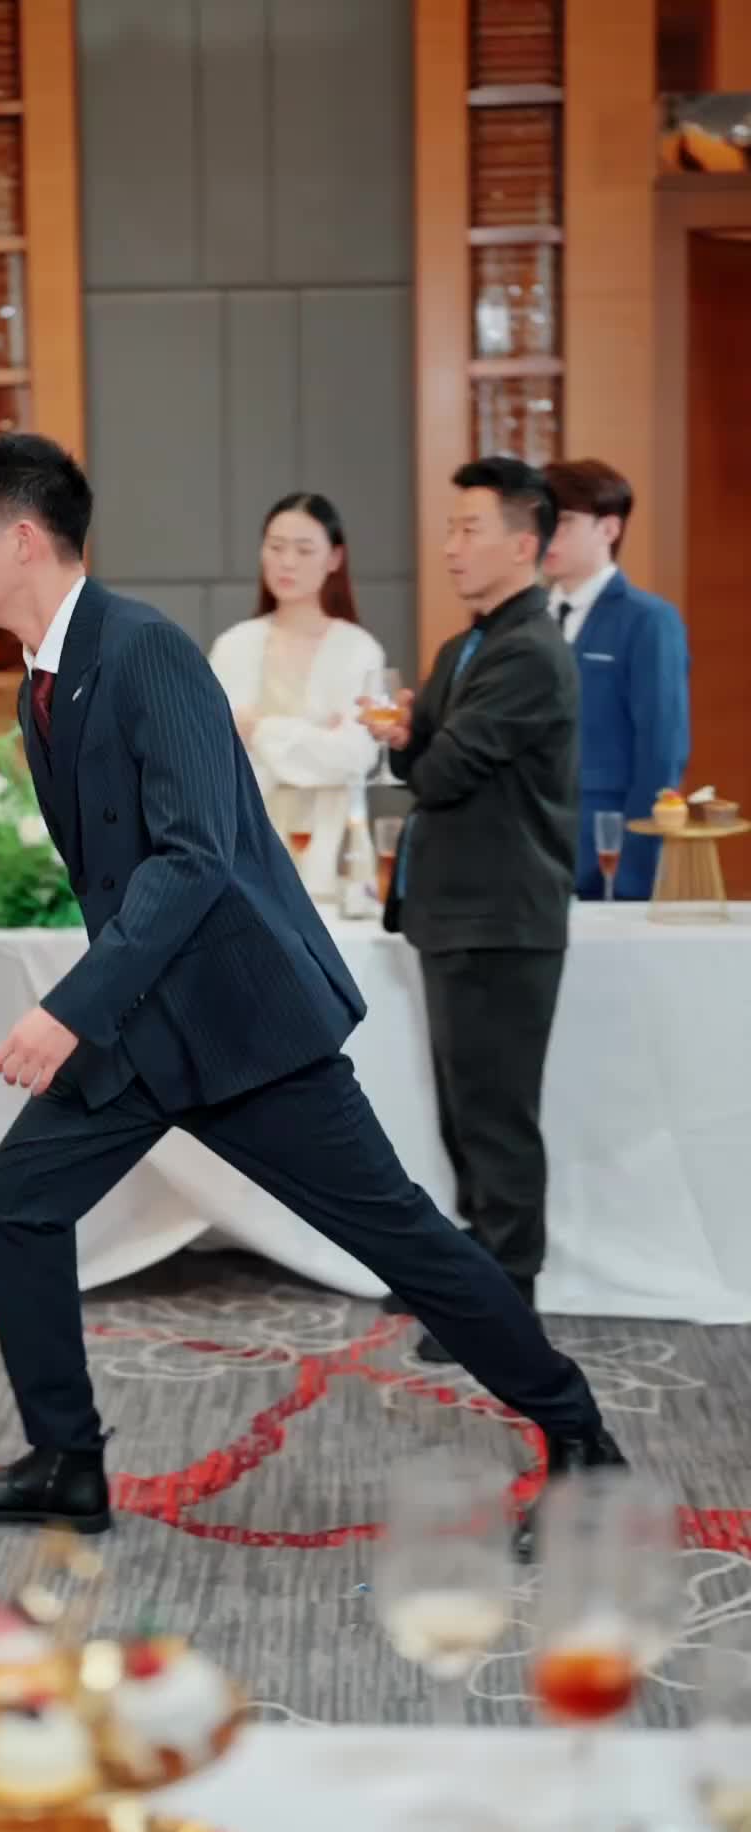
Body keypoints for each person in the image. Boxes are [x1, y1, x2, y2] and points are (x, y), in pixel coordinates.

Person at [0, 432, 624, 1561]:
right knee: (12, 1204)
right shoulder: (44, 683)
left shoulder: (145, 650)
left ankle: (581, 1437)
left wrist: (69, 1008)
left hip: (239, 1023)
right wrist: (101, 1011)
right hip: (144, 1029)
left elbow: (195, 856)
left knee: (403, 1239)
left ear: (24, 538)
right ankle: (66, 1460)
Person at [365, 457, 576, 1368]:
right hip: (456, 914)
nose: (450, 546)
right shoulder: (466, 647)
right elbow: (421, 760)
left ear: (523, 544)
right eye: (450, 528)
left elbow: (444, 770)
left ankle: (507, 1304)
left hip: (504, 917)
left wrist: (419, 744)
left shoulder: (530, 652)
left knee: (496, 1119)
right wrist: (408, 739)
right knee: (463, 1113)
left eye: (468, 529)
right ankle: (473, 1277)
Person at [209, 494, 381, 897]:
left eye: (304, 550)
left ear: (334, 558)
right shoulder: (233, 646)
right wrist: (313, 736)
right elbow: (217, 759)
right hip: (245, 852)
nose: (287, 562)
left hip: (332, 855)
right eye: (276, 547)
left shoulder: (358, 650)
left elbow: (354, 757)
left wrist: (260, 730)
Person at [543, 458, 690, 900]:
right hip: (529, 855)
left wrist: (633, 871)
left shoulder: (649, 620)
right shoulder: (527, 620)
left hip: (603, 852)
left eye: (563, 521)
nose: (547, 534)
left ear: (608, 528)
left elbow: (662, 753)